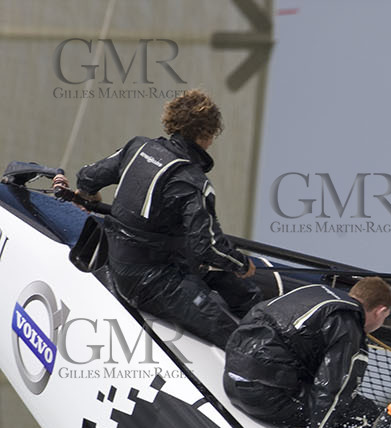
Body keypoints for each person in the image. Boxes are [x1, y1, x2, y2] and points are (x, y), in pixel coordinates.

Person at [56, 89, 257, 347]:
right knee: (234, 335)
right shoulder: (193, 182)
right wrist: (241, 264)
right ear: (206, 135)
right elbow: (208, 247)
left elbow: (87, 176)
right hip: (150, 281)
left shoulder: (137, 147)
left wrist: (88, 196)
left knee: (239, 290)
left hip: (121, 261)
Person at [222, 277, 391, 428]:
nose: (382, 323)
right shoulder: (348, 324)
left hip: (231, 379)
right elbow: (333, 391)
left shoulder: (314, 292)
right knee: (367, 413)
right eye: (385, 318)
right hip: (263, 397)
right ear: (380, 311)